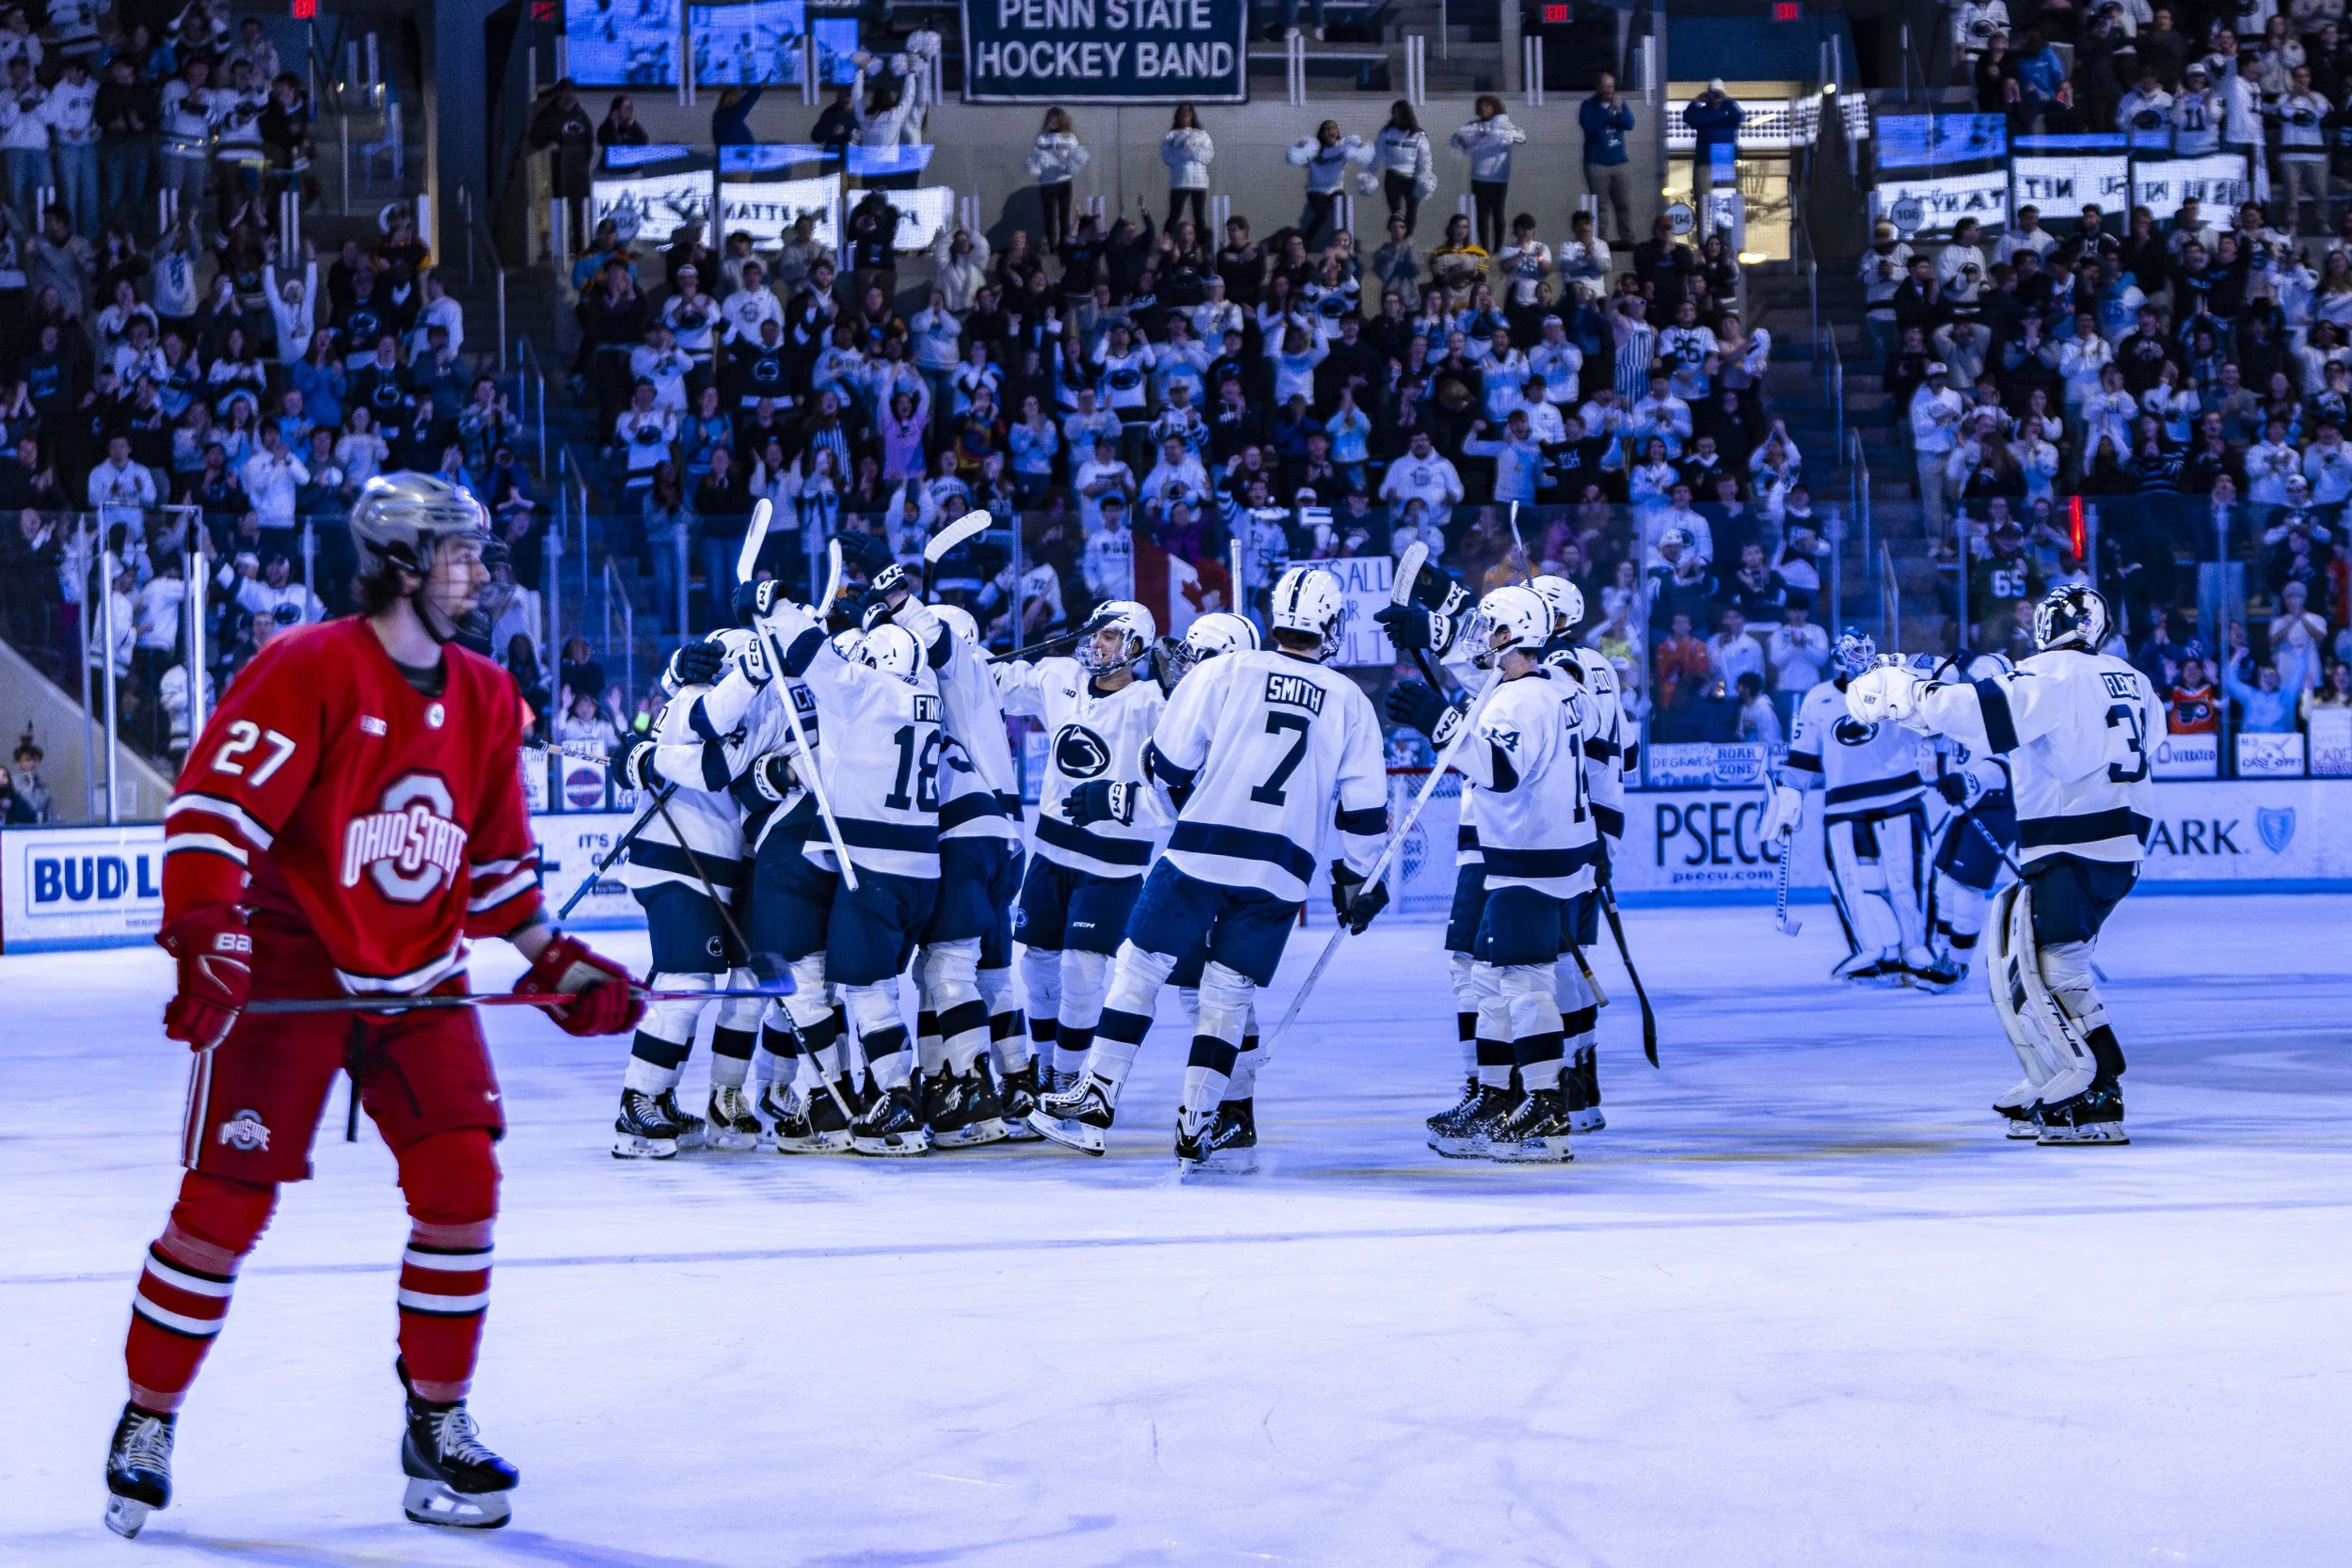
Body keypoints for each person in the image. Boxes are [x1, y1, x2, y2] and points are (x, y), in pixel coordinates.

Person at [103, 475, 644, 1541]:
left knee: (463, 1182)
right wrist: (207, 935)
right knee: (222, 1210)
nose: (480, 573)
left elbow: (491, 873)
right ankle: (146, 1417)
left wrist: (558, 963)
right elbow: (213, 808)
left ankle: (435, 1419)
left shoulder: (488, 694)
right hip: (293, 971)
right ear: (403, 563)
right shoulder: (310, 666)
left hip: (419, 979)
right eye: (460, 555)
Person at [1029, 567, 1390, 1167]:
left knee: (1139, 970)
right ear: (1328, 624)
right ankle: (1200, 1125)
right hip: (1282, 868)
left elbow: (1170, 766)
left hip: (1203, 847)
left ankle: (1096, 1099)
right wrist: (1358, 877)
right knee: (1226, 993)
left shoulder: (1225, 672)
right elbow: (1366, 811)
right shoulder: (1350, 699)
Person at [1846, 585, 2159, 1145]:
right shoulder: (2131, 678)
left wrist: (1905, 694)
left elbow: (1976, 713)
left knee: (2050, 971)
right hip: (2122, 841)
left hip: (2071, 842)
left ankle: (2095, 1091)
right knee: (2040, 959)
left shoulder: (2050, 674)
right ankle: (2060, 1077)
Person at [991, 600, 1165, 1096]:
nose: (1096, 643)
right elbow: (993, 684)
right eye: (1094, 633)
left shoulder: (1153, 702)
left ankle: (1069, 1073)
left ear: (1134, 647)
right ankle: (1043, 1070)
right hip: (1050, 854)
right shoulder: (1060, 677)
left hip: (1111, 864)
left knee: (1081, 970)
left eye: (1108, 636)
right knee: (1039, 965)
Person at [1762, 629, 1936, 985]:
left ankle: (1915, 950)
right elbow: (1803, 758)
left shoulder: (1895, 685)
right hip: (1843, 806)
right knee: (1852, 882)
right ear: (1838, 659)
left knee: (1907, 879)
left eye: (1865, 651)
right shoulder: (1818, 699)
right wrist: (1789, 799)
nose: (1861, 659)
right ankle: (1871, 949)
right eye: (1854, 652)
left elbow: (1930, 725)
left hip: (1899, 799)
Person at [1450, 95, 1526, 254]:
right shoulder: (1474, 126)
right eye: (1481, 106)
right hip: (1479, 177)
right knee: (1481, 215)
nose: (1484, 109)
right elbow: (1456, 140)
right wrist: (1481, 143)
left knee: (1498, 214)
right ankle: (1484, 249)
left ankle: (1498, 250)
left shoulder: (1506, 126)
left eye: (1487, 106)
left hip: (1499, 178)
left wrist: (1490, 139)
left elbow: (1521, 137)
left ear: (1495, 107)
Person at [1579, 73, 1637, 246]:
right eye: (1605, 87)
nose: (1608, 91)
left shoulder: (1620, 104)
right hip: (1597, 164)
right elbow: (1591, 128)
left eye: (1611, 87)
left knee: (1624, 204)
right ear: (1597, 87)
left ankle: (1627, 239)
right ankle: (1599, 242)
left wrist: (1619, 110)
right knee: (1601, 207)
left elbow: (1629, 124)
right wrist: (1610, 112)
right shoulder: (1588, 106)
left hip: (1620, 162)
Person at [1025, 107, 1088, 245]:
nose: (1053, 122)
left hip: (1064, 182)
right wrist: (1034, 168)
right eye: (1051, 119)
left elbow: (1077, 158)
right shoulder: (1042, 139)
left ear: (1062, 121)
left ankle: (1064, 247)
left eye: (1057, 119)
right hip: (1047, 183)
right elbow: (1035, 160)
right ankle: (1053, 247)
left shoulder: (1070, 137)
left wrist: (1071, 166)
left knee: (1064, 217)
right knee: (1050, 217)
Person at [1160, 102, 1212, 234]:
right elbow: (1167, 157)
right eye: (1183, 112)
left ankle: (1201, 248)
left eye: (1189, 112)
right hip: (1180, 180)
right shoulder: (1171, 135)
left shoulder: (1202, 134)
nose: (1186, 115)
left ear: (1193, 115)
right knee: (1174, 215)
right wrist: (1187, 153)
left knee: (1199, 216)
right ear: (1178, 116)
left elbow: (1208, 155)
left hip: (1199, 181)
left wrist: (1189, 152)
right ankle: (1167, 245)